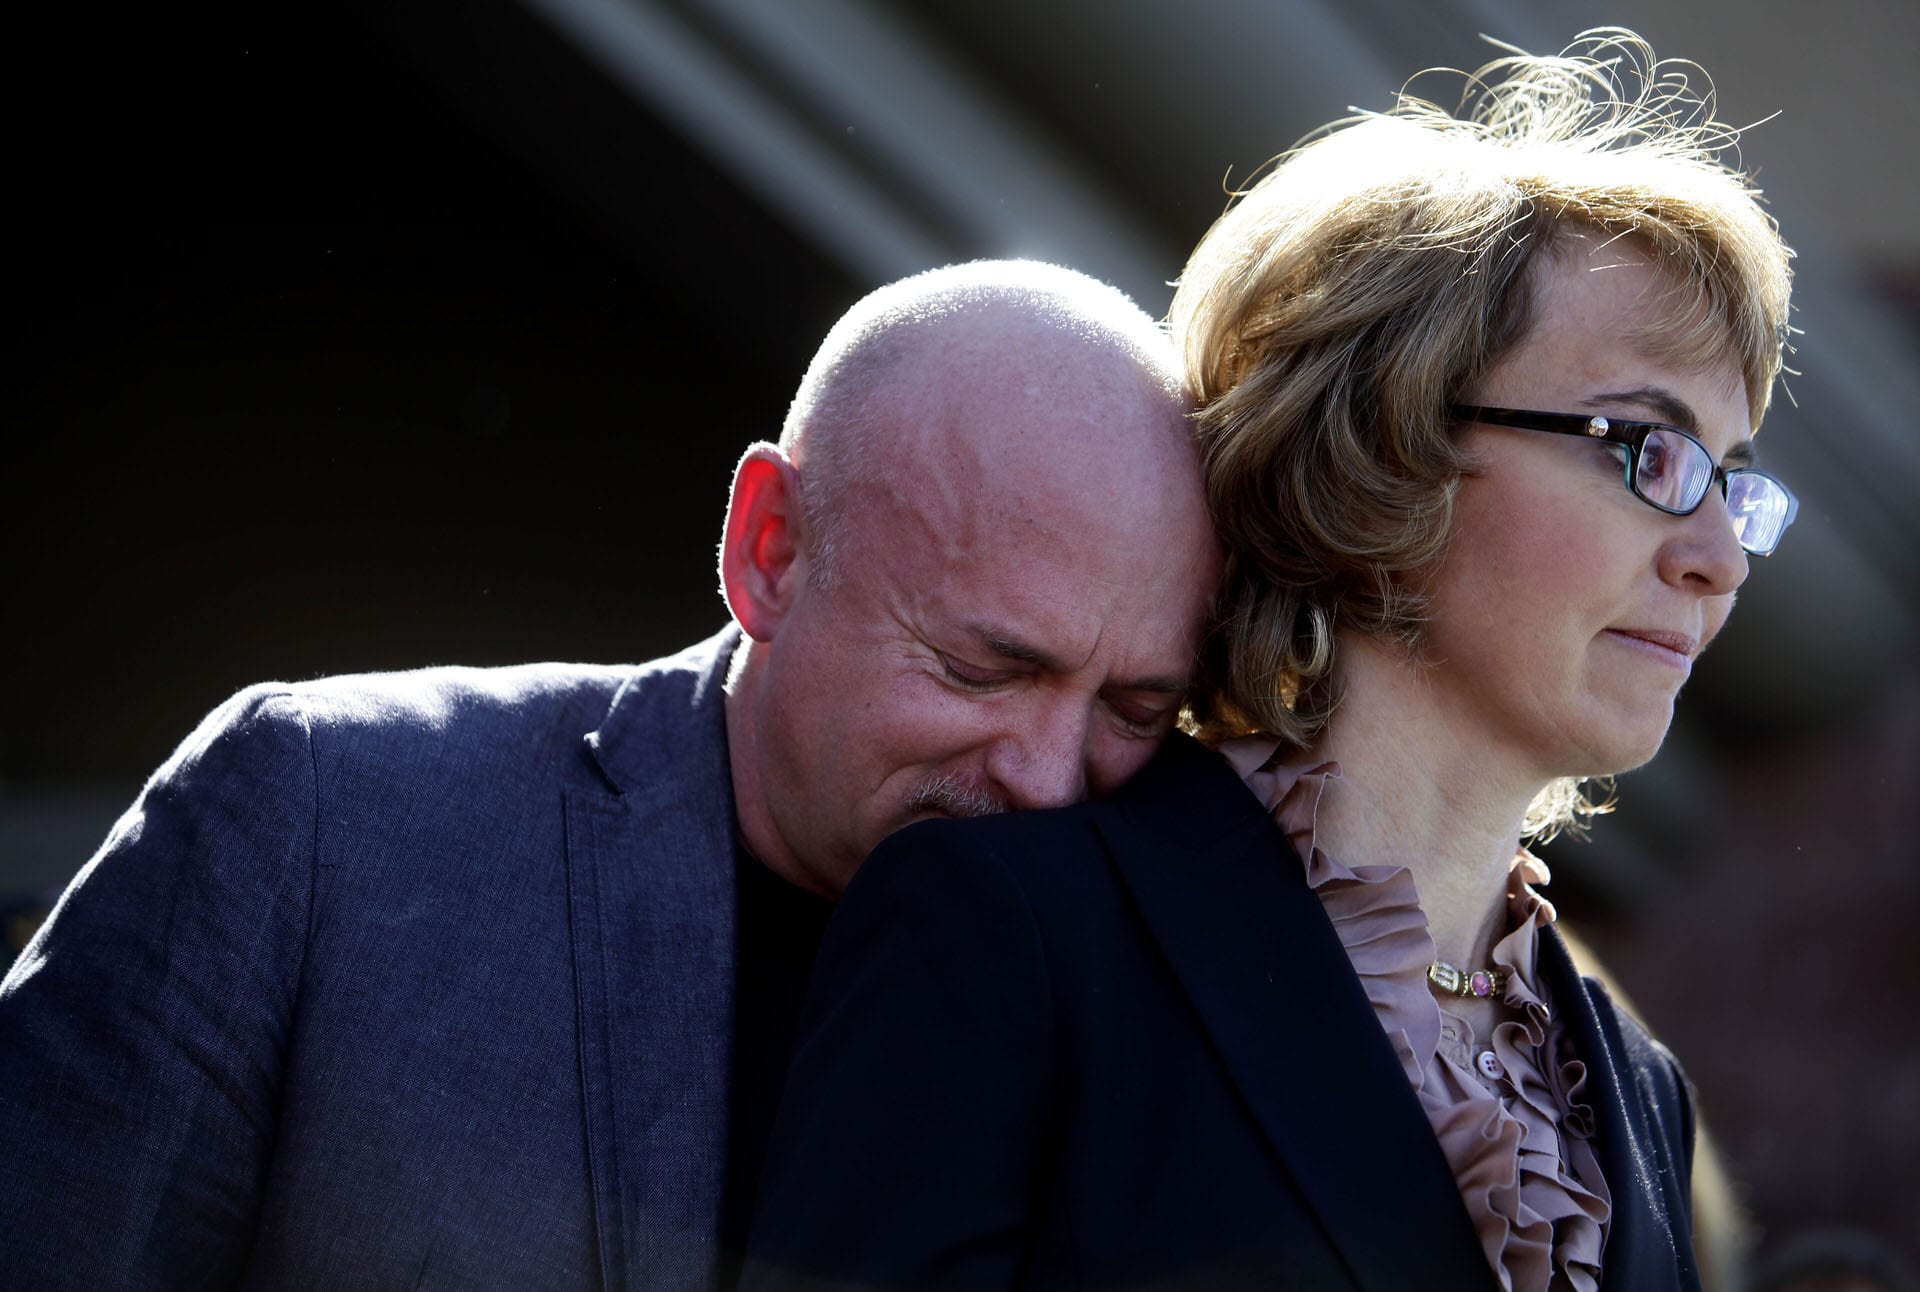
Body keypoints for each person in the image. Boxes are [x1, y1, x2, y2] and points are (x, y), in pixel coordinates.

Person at [744, 31, 1794, 1292]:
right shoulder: (1012, 931)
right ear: (1380, 447)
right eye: (1650, 450)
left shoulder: (1634, 1091)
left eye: (1736, 485)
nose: (1720, 558)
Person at [0, 260, 1220, 1289]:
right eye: (979, 667)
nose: (1051, 782)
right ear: (772, 553)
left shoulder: (1189, 1007)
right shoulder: (321, 818)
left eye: (1133, 707)